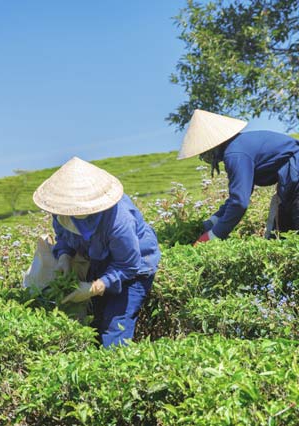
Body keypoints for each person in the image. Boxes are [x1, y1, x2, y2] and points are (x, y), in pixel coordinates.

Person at [32, 157, 160, 348]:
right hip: (99, 261)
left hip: (134, 267)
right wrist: (64, 257)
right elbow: (64, 239)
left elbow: (128, 265)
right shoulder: (61, 214)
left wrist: (94, 288)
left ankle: (118, 369)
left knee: (115, 325)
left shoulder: (119, 221)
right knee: (97, 320)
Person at [178, 109, 299, 243]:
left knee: (290, 234)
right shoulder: (238, 146)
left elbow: (239, 203)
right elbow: (237, 197)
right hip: (291, 181)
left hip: (295, 178)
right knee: (284, 236)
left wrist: (212, 236)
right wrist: (212, 222)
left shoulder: (235, 154)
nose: (204, 157)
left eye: (204, 152)